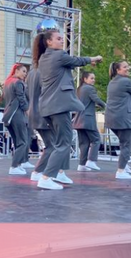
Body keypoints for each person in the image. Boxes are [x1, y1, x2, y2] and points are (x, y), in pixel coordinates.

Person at [34, 29, 102, 190]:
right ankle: (46, 176)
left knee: (60, 142)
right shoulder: (58, 55)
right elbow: (76, 60)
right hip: (58, 106)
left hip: (49, 106)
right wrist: (94, 58)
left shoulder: (44, 57)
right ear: (49, 42)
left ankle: (57, 173)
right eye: (58, 38)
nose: (62, 41)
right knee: (64, 143)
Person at [105, 62, 131, 180]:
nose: (128, 68)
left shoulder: (112, 82)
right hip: (123, 118)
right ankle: (120, 171)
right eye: (125, 67)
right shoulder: (126, 81)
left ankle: (124, 165)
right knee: (126, 144)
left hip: (111, 118)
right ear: (118, 70)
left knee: (123, 142)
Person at [73, 72, 106, 172]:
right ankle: (91, 160)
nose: (93, 80)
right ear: (85, 79)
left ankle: (81, 165)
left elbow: (85, 103)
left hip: (78, 119)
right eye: (91, 78)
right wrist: (106, 106)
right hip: (87, 119)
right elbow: (96, 99)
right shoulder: (89, 88)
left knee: (84, 143)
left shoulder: (79, 89)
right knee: (96, 139)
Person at [27, 62, 54, 182]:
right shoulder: (43, 72)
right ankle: (39, 171)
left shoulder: (31, 73)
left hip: (34, 112)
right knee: (52, 145)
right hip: (43, 113)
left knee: (51, 145)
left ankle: (41, 171)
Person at [3, 63, 29, 176]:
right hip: (16, 114)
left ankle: (17, 165)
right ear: (17, 71)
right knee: (22, 141)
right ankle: (14, 166)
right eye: (23, 71)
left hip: (8, 115)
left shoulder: (7, 83)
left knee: (17, 141)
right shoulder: (18, 83)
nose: (25, 74)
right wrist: (27, 111)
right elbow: (21, 98)